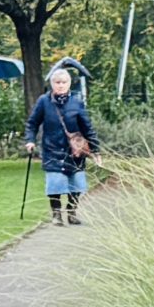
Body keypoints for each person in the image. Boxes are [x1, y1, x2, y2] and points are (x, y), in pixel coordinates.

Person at [24, 66, 97, 224]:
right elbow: (32, 123)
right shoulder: (44, 101)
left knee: (76, 184)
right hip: (52, 149)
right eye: (57, 82)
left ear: (69, 83)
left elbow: (87, 127)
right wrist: (30, 140)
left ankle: (71, 213)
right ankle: (56, 215)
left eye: (64, 82)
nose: (61, 85)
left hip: (74, 151)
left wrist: (95, 149)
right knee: (55, 184)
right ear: (52, 84)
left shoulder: (76, 102)